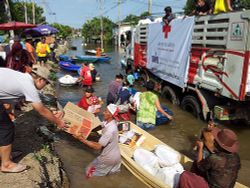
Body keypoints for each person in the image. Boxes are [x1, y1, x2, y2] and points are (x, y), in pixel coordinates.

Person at [0, 66, 66, 173]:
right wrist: (58, 122)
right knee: (6, 128)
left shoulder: (23, 78)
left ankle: (4, 154)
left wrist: (51, 112)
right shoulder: (28, 85)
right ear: (40, 79)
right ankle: (6, 164)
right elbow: (40, 110)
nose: (46, 86)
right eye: (47, 83)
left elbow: (38, 101)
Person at [74, 104, 121, 177]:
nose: (103, 113)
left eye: (106, 111)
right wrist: (85, 130)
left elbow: (97, 146)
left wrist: (81, 139)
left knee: (89, 173)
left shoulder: (110, 130)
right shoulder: (109, 121)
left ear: (111, 115)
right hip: (116, 156)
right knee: (110, 176)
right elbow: (99, 126)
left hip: (108, 158)